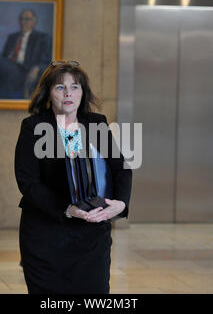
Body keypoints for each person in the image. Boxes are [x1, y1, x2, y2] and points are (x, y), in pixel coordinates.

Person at [14, 60, 132, 294]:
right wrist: (68, 209)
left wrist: (120, 203)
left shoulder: (96, 124)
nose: (68, 93)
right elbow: (28, 182)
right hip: (46, 234)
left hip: (92, 234)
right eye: (59, 87)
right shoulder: (33, 126)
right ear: (48, 93)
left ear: (83, 92)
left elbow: (121, 168)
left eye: (75, 86)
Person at [0, 9, 52, 99]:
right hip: (8, 70)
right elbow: (4, 58)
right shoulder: (12, 37)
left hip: (23, 73)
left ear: (34, 22)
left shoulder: (42, 38)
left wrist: (37, 68)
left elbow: (47, 60)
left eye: (27, 19)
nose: (23, 22)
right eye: (21, 19)